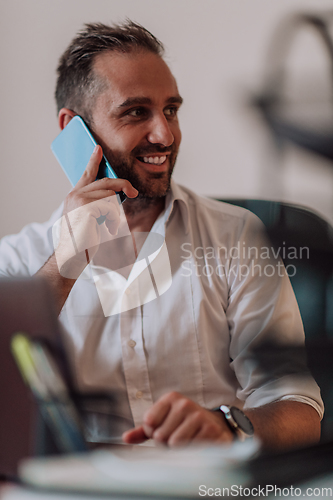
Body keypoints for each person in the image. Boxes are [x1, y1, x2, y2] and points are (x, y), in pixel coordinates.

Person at [0, 21, 323, 451]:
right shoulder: (18, 263)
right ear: (72, 129)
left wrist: (230, 426)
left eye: (170, 110)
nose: (165, 135)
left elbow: (298, 407)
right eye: (136, 112)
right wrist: (64, 263)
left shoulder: (236, 237)